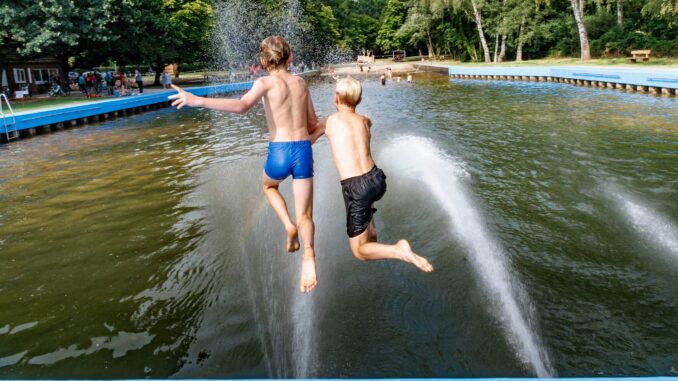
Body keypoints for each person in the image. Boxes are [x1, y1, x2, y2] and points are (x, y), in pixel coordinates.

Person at [168, 36, 320, 293]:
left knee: (270, 187)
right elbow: (313, 124)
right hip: (303, 150)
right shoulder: (301, 83)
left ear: (262, 62)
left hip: (279, 151)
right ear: (291, 57)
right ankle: (309, 254)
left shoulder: (264, 82)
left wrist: (199, 100)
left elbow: (241, 106)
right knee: (306, 214)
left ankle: (287, 225)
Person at [309, 78, 433, 272]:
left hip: (357, 187)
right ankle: (371, 228)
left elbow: (306, 140)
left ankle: (399, 250)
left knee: (359, 251)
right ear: (359, 100)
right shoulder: (365, 121)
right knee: (369, 233)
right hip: (376, 179)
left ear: (336, 98)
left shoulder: (330, 122)